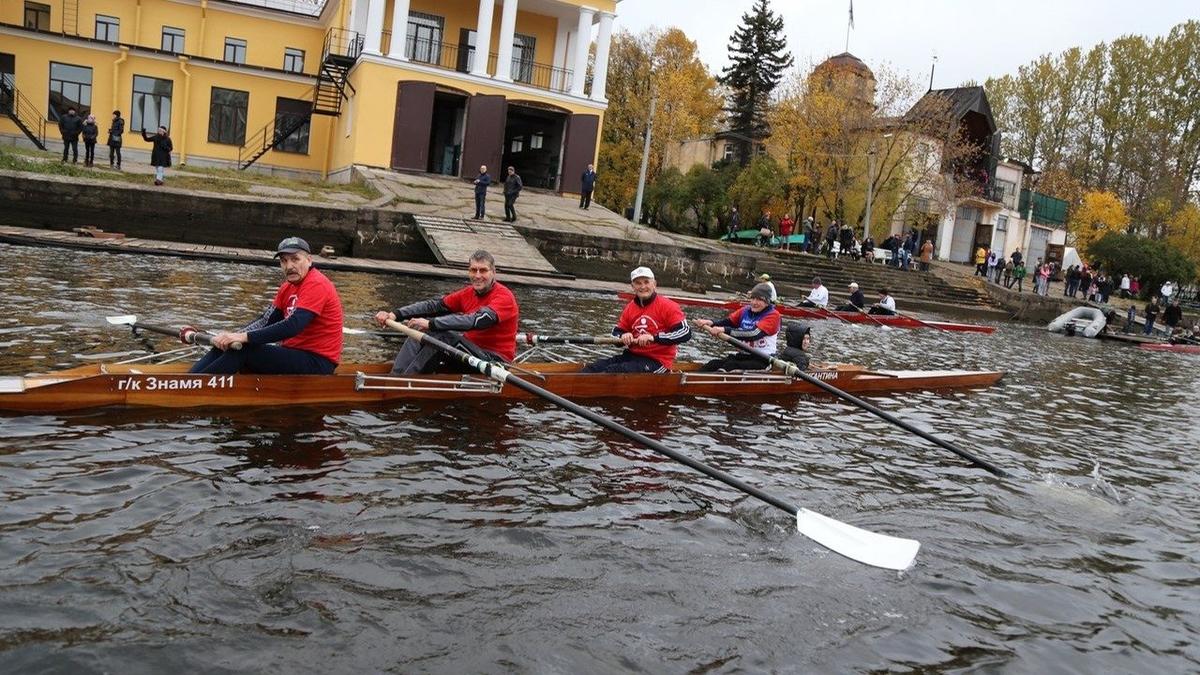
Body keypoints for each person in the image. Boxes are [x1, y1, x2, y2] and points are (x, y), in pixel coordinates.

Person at [190, 236, 343, 375]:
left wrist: (243, 337)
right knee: (227, 346)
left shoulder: (317, 284)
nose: (289, 266)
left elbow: (294, 325)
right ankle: (186, 380)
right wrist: (230, 337)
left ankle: (191, 390)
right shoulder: (286, 287)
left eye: (295, 259)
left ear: (309, 260)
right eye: (284, 260)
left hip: (319, 362)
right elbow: (266, 320)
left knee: (244, 351)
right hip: (293, 354)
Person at [373, 249, 519, 375]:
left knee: (441, 335)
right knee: (418, 329)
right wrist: (395, 315)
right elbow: (434, 306)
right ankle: (397, 375)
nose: (478, 275)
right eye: (473, 270)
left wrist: (432, 324)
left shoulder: (504, 297)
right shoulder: (468, 293)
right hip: (469, 355)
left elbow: (478, 320)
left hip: (494, 361)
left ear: (493, 272)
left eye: (483, 270)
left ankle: (403, 383)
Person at [581, 266, 690, 373]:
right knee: (593, 368)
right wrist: (622, 336)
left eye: (646, 282)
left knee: (613, 371)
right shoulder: (630, 308)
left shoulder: (669, 306)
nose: (643, 287)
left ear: (654, 284)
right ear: (633, 286)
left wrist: (653, 338)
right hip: (631, 356)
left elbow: (685, 333)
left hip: (658, 361)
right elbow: (616, 333)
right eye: (638, 283)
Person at [695, 283, 780, 372]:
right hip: (744, 355)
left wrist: (724, 330)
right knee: (713, 364)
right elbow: (729, 322)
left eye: (759, 300)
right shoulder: (745, 310)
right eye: (753, 298)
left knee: (730, 367)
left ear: (767, 302)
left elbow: (753, 334)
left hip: (762, 359)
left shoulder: (773, 315)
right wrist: (711, 323)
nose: (754, 303)